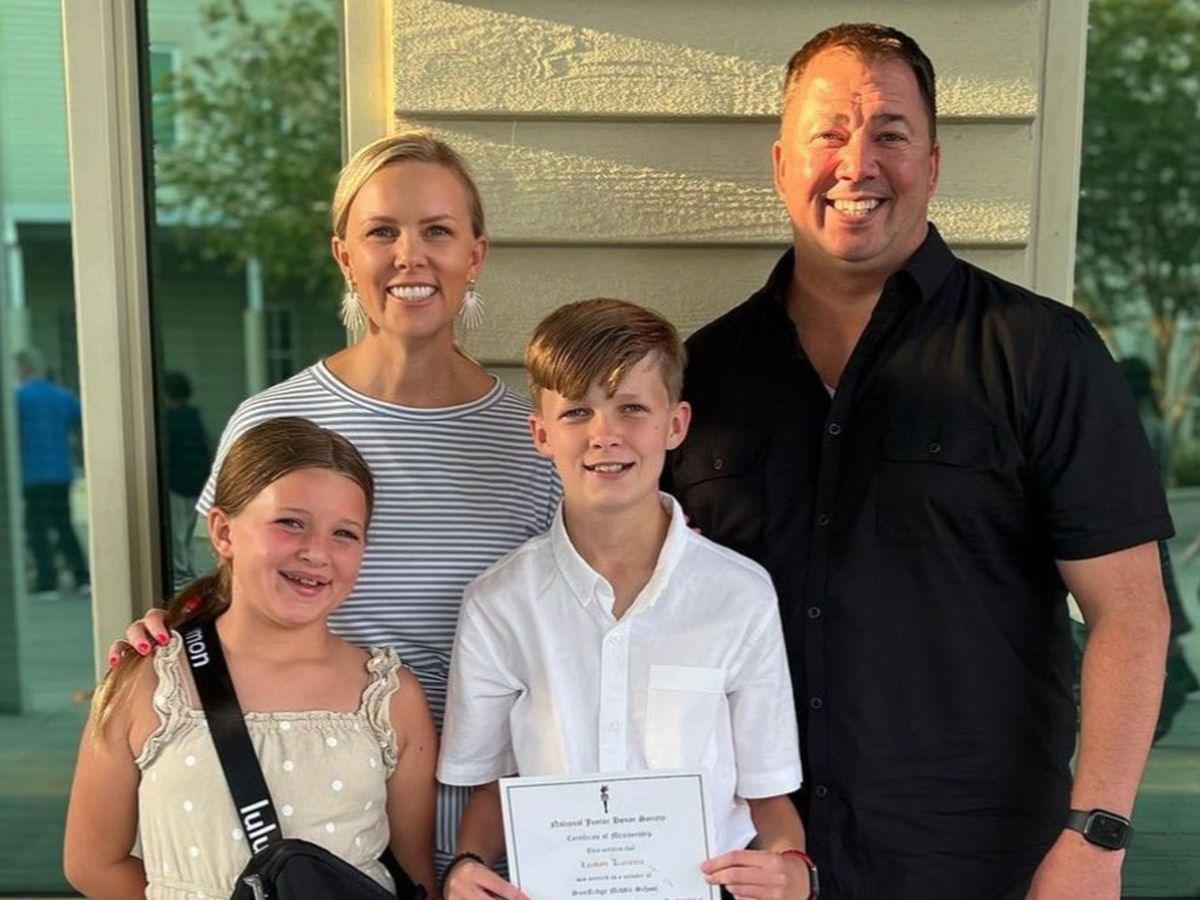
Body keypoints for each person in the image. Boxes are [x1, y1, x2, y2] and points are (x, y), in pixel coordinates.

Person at [666, 23, 1172, 900]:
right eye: (829, 134)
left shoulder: (1040, 354)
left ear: (932, 166)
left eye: (890, 134)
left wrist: (1095, 840)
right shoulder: (699, 376)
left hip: (980, 865)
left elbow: (1130, 614)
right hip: (748, 861)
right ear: (782, 165)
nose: (857, 164)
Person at [115, 129, 560, 872]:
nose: (410, 256)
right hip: (320, 824)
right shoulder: (273, 419)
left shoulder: (535, 443)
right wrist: (166, 629)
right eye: (382, 232)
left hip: (491, 824)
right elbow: (227, 593)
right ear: (344, 256)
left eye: (437, 231)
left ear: (475, 254)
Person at [438, 299, 812, 900]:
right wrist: (464, 868)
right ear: (541, 434)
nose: (604, 434)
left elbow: (770, 800)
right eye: (576, 411)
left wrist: (794, 869)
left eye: (632, 408)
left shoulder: (739, 595)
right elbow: (489, 789)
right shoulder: (499, 603)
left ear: (676, 425)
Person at [63, 417, 438, 898]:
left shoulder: (389, 696)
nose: (317, 552)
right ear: (223, 532)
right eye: (290, 523)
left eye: (344, 533)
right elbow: (92, 862)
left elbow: (415, 876)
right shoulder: (150, 684)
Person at [14, 348, 90, 597]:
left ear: (22, 369)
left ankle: (47, 580)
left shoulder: (18, 397)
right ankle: (81, 577)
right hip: (60, 471)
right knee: (63, 524)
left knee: (36, 527)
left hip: (31, 472)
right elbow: (81, 424)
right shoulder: (63, 396)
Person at [162, 370, 211, 588]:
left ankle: (180, 572)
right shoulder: (194, 416)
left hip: (176, 482)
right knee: (188, 530)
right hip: (196, 479)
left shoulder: (167, 419)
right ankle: (188, 569)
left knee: (177, 532)